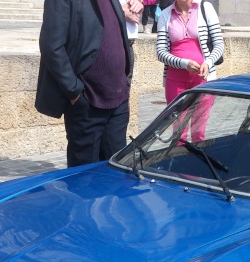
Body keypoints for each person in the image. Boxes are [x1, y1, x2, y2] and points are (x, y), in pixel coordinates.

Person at [36, 0, 142, 168]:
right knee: (84, 176)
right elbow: (52, 46)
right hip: (88, 100)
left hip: (118, 99)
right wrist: (75, 91)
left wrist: (125, 81)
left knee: (116, 171)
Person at [155, 0, 224, 141]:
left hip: (203, 79)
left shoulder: (205, 8)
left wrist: (208, 62)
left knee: (199, 131)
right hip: (175, 81)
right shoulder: (165, 14)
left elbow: (219, 44)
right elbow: (161, 52)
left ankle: (196, 160)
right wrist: (183, 64)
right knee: (178, 132)